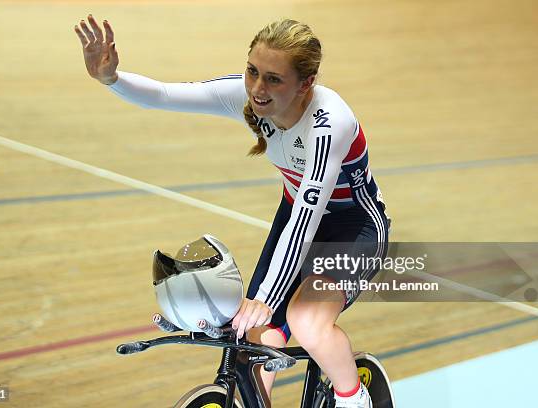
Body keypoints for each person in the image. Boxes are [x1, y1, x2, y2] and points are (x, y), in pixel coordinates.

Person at [75, 15, 389, 408]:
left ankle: (352, 396)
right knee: (255, 341)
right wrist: (111, 79)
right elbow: (166, 95)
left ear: (305, 84)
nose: (258, 89)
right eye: (253, 71)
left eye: (274, 79)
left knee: (308, 323)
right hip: (294, 215)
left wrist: (267, 300)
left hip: (352, 226)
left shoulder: (330, 122)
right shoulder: (247, 96)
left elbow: (306, 221)